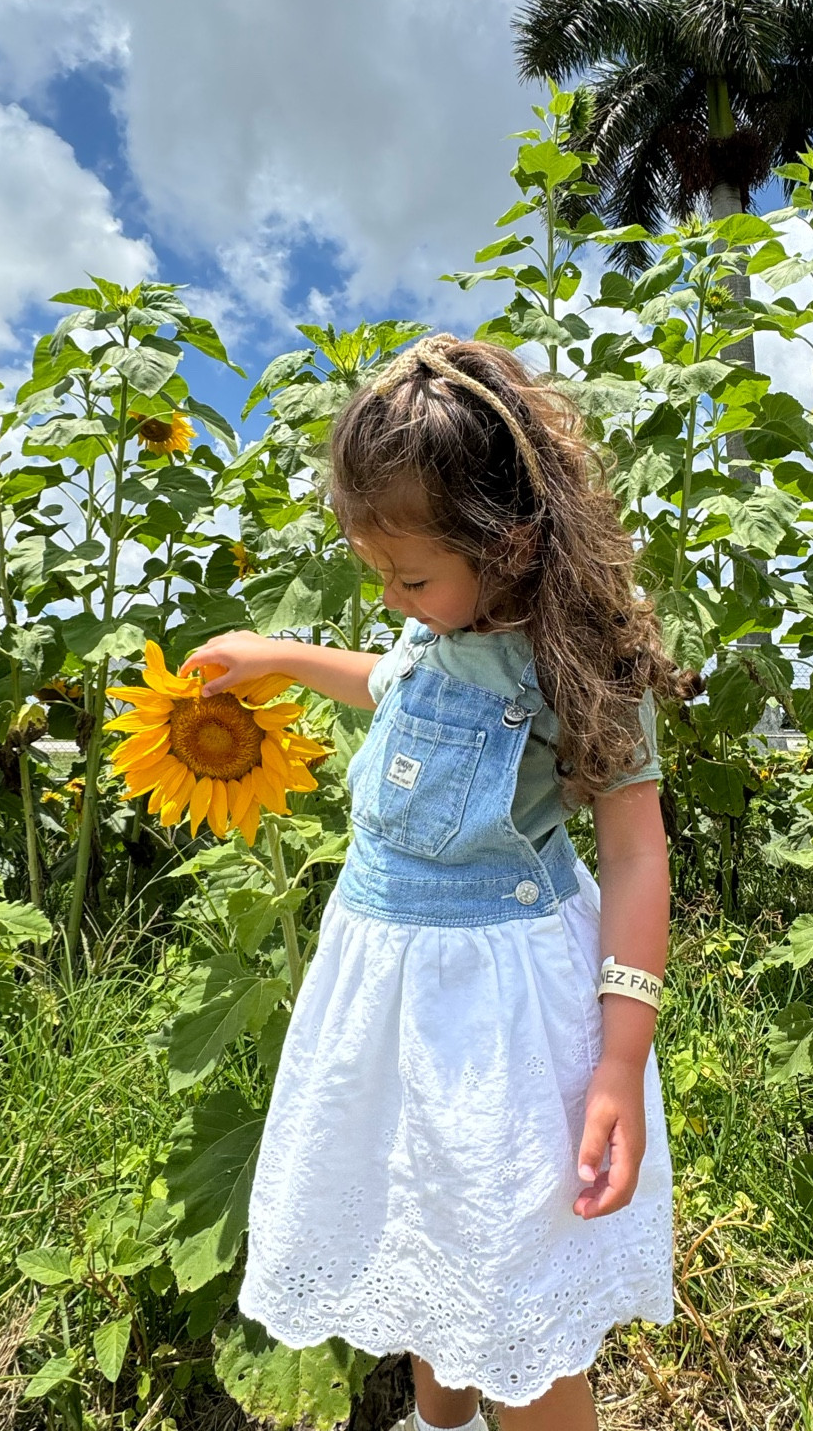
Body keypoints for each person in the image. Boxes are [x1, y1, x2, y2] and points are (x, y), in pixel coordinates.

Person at [182, 334, 685, 1431]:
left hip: (504, 1011)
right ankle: (438, 1419)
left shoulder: (579, 672)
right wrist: (278, 653)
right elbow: (391, 684)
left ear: (508, 545)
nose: (397, 601)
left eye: (410, 577)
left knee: (510, 1263)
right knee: (419, 1227)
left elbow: (637, 851)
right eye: (381, 578)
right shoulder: (431, 631)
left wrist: (622, 1054)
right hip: (386, 993)